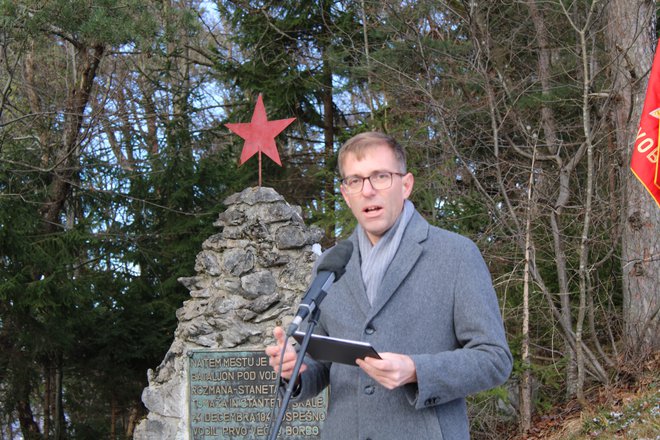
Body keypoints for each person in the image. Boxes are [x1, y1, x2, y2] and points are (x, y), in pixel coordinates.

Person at [266, 131, 512, 439]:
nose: (368, 191)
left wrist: (416, 370)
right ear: (346, 193)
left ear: (405, 185)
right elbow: (322, 363)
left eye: (380, 176)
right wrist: (296, 369)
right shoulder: (330, 263)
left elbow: (494, 359)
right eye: (355, 180)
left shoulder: (456, 255)